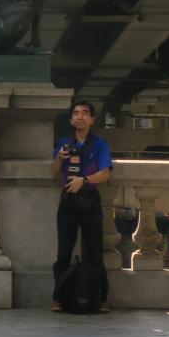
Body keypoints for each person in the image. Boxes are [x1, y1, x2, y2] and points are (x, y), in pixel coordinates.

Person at [51, 100, 113, 312]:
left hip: (89, 200)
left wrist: (84, 180)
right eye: (76, 113)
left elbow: (105, 173)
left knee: (95, 251)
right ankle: (58, 297)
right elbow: (53, 172)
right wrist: (60, 159)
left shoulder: (99, 144)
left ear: (92, 119)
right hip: (68, 201)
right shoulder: (64, 143)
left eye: (85, 113)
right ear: (71, 119)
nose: (80, 117)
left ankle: (101, 297)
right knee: (63, 252)